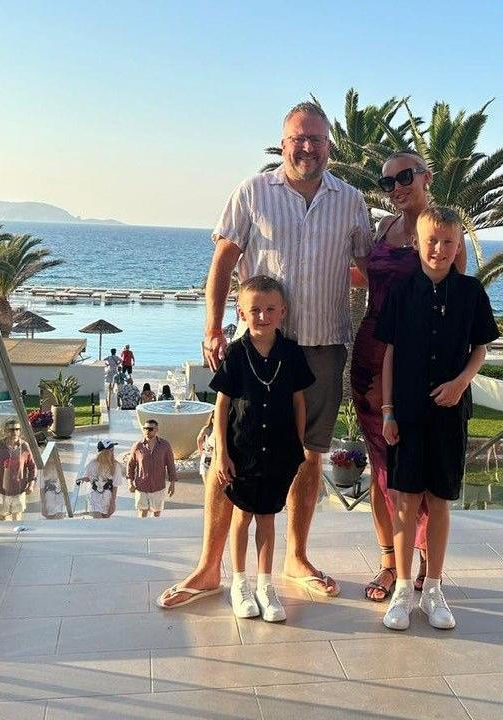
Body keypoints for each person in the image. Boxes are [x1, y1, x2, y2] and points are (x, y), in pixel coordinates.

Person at [158, 101, 371, 610]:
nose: (307, 147)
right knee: (225, 456)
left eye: (316, 139)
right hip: (254, 347)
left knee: (308, 453)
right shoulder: (253, 192)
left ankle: (296, 558)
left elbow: (366, 268)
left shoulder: (352, 201)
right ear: (284, 141)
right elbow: (224, 257)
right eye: (298, 138)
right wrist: (212, 327)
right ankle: (211, 567)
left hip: (320, 345)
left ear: (330, 146)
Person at [350, 152, 469, 602]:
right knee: (381, 465)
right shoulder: (382, 229)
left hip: (418, 363)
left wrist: (457, 374)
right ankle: (388, 564)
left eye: (404, 177)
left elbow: (458, 305)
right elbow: (371, 279)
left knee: (414, 466)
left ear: (426, 177)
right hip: (369, 357)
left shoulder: (446, 235)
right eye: (387, 182)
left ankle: (425, 565)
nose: (396, 187)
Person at [376, 205, 499, 631]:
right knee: (406, 501)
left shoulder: (471, 293)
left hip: (450, 413)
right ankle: (403, 590)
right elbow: (389, 354)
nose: (439, 248)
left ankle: (434, 589)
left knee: (440, 500)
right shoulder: (402, 291)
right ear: (417, 242)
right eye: (431, 240)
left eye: (449, 241)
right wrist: (388, 412)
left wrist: (462, 382)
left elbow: (481, 347)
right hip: (406, 414)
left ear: (458, 244)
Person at [210, 276, 314, 622]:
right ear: (241, 312)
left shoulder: (291, 353)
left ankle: (265, 586)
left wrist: (298, 445)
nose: (262, 316)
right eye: (254, 310)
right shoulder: (237, 354)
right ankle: (240, 583)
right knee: (242, 516)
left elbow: (299, 402)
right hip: (243, 451)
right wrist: (221, 450)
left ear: (282, 312)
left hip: (280, 452)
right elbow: (222, 405)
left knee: (268, 518)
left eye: (270, 309)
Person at [0, 420, 37, 521]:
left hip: (19, 490)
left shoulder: (24, 446)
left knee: (17, 518)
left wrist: (31, 484)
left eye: (17, 429)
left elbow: (32, 467)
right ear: (5, 431)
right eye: (11, 429)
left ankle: (16, 535)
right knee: (2, 517)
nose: (14, 432)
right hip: (1, 490)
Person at [128, 419, 178, 518]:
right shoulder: (138, 446)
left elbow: (170, 465)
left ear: (156, 430)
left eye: (150, 429)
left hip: (158, 486)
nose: (147, 431)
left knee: (156, 514)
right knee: (143, 513)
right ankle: (142, 533)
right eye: (145, 428)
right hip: (141, 486)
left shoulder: (165, 445)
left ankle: (154, 533)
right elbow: (131, 465)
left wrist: (172, 484)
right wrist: (130, 482)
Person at [78, 440, 122, 518]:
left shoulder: (116, 466)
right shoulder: (92, 464)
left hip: (107, 500)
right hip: (94, 498)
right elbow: (88, 477)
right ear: (104, 452)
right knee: (97, 520)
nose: (113, 452)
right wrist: (83, 478)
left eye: (113, 449)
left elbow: (115, 486)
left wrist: (112, 503)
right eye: (111, 450)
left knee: (104, 525)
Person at [197, 411, 215, 482]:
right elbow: (199, 439)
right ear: (212, 419)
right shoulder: (207, 429)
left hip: (215, 458)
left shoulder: (222, 430)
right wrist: (200, 451)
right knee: (206, 481)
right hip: (207, 456)